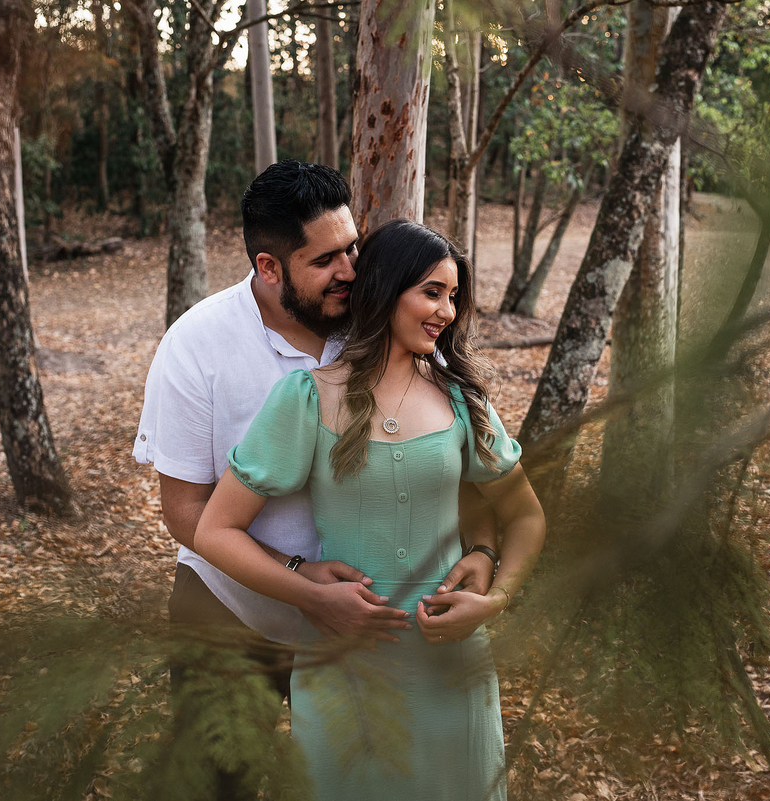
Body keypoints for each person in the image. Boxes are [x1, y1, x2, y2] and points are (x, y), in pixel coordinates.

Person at [132, 162, 498, 797]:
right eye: (326, 260)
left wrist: (484, 551)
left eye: (352, 247)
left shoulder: (384, 321)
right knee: (216, 785)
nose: (351, 270)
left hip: (368, 627)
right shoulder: (196, 346)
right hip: (231, 611)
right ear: (269, 267)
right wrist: (302, 582)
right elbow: (186, 512)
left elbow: (456, 463)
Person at [195, 219, 546, 801]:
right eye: (432, 292)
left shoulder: (463, 401)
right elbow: (214, 529)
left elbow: (527, 517)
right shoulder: (308, 398)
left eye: (453, 297)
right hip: (343, 663)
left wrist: (494, 600)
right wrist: (307, 592)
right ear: (385, 289)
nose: (446, 312)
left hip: (449, 664)